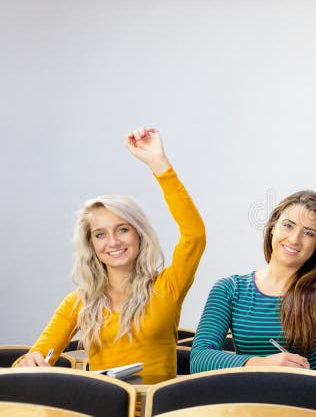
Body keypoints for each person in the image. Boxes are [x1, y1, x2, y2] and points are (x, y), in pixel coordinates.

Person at [16, 128, 206, 377]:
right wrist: (28, 362)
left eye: (123, 230)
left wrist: (159, 165)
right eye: (100, 234)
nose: (113, 242)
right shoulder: (78, 302)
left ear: (139, 234)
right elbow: (33, 360)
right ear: (92, 244)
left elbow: (194, 235)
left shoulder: (167, 287)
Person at [190, 150, 316, 372]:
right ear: (272, 226)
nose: (294, 239)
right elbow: (199, 359)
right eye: (288, 225)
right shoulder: (230, 289)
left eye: (308, 233)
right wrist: (260, 363)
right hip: (248, 401)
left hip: (308, 400)